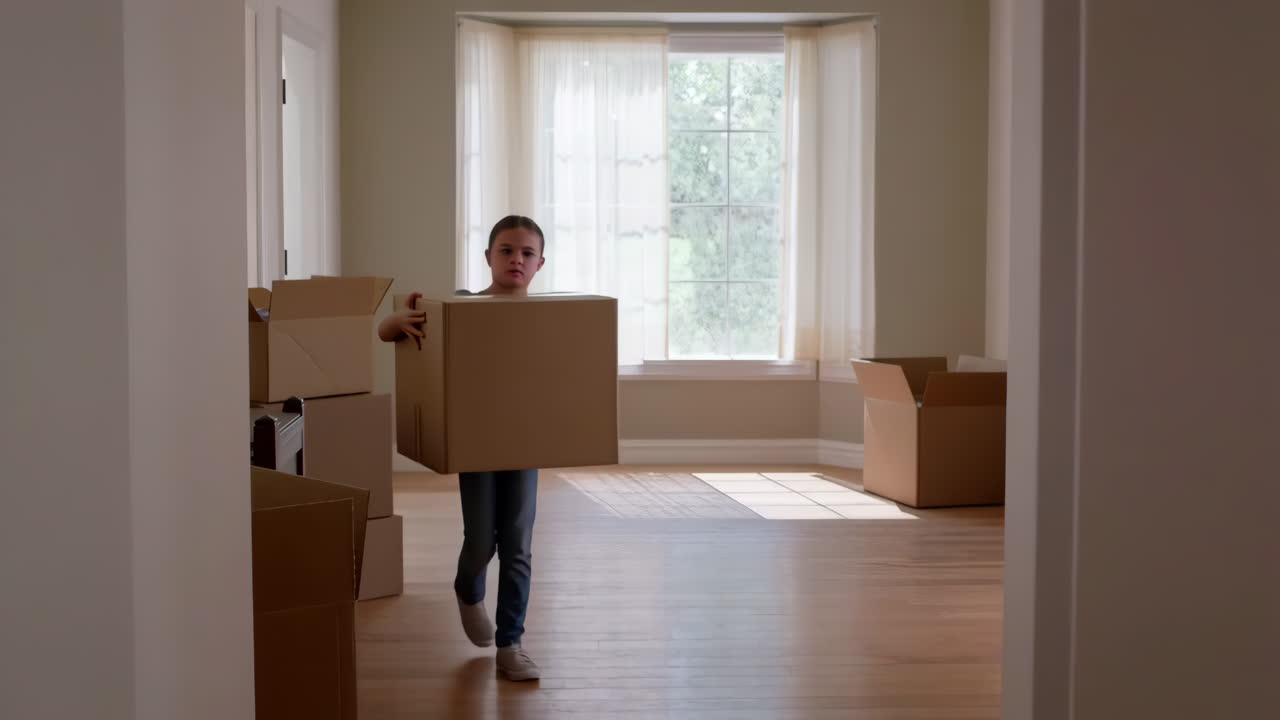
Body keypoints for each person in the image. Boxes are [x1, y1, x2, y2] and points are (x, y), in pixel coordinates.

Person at [378, 215, 547, 682]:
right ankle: (468, 589)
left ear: (540, 264)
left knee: (517, 544)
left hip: (523, 442)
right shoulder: (462, 307)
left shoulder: (546, 319)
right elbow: (387, 333)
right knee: (480, 541)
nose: (516, 259)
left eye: (526, 253)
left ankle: (511, 644)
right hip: (476, 442)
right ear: (488, 257)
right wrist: (395, 319)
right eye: (506, 250)